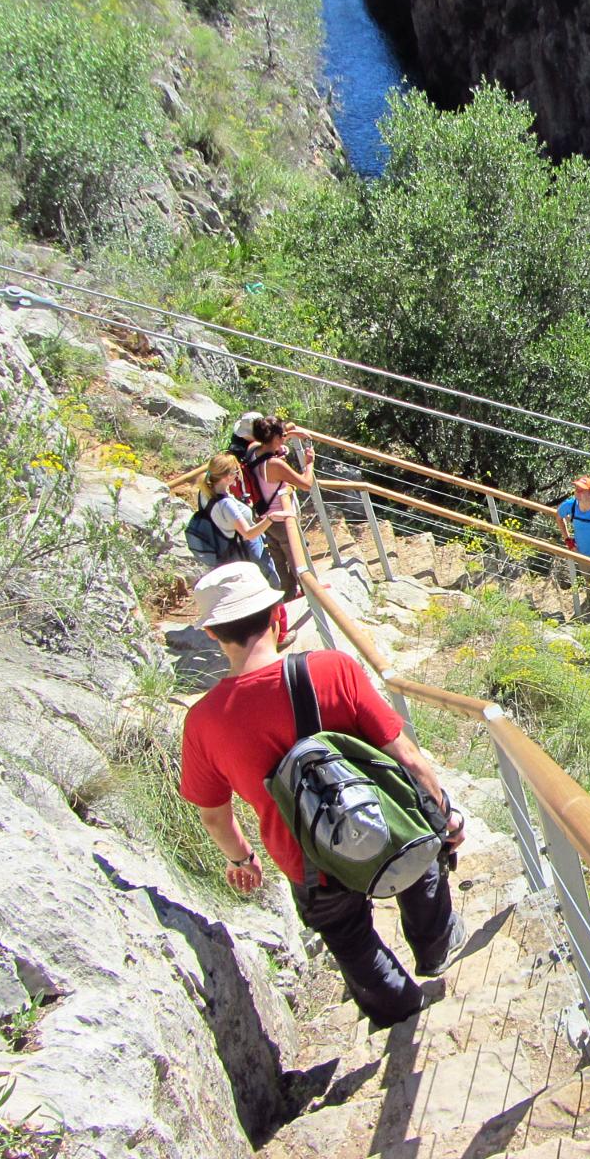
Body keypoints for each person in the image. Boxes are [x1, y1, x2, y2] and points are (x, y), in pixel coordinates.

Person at [179, 563, 467, 1029]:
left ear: (212, 635)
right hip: (383, 827)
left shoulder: (204, 722)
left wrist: (241, 859)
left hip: (307, 862)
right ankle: (436, 953)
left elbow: (214, 816)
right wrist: (444, 815)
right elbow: (407, 756)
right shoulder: (331, 669)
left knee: (349, 938)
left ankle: (405, 1016)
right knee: (420, 868)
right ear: (278, 616)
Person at [244, 415, 315, 601]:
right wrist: (309, 463)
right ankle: (310, 591)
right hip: (282, 519)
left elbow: (271, 442)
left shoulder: (252, 450)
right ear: (275, 438)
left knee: (278, 558)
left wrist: (290, 433)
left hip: (265, 518)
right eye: (282, 435)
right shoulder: (275, 464)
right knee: (296, 557)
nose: (285, 437)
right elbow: (306, 484)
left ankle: (287, 595)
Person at [196, 454, 282, 588]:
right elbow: (248, 533)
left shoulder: (205, 494)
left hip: (231, 551)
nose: (237, 475)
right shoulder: (226, 504)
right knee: (271, 586)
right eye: (235, 472)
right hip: (248, 550)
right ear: (227, 476)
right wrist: (271, 518)